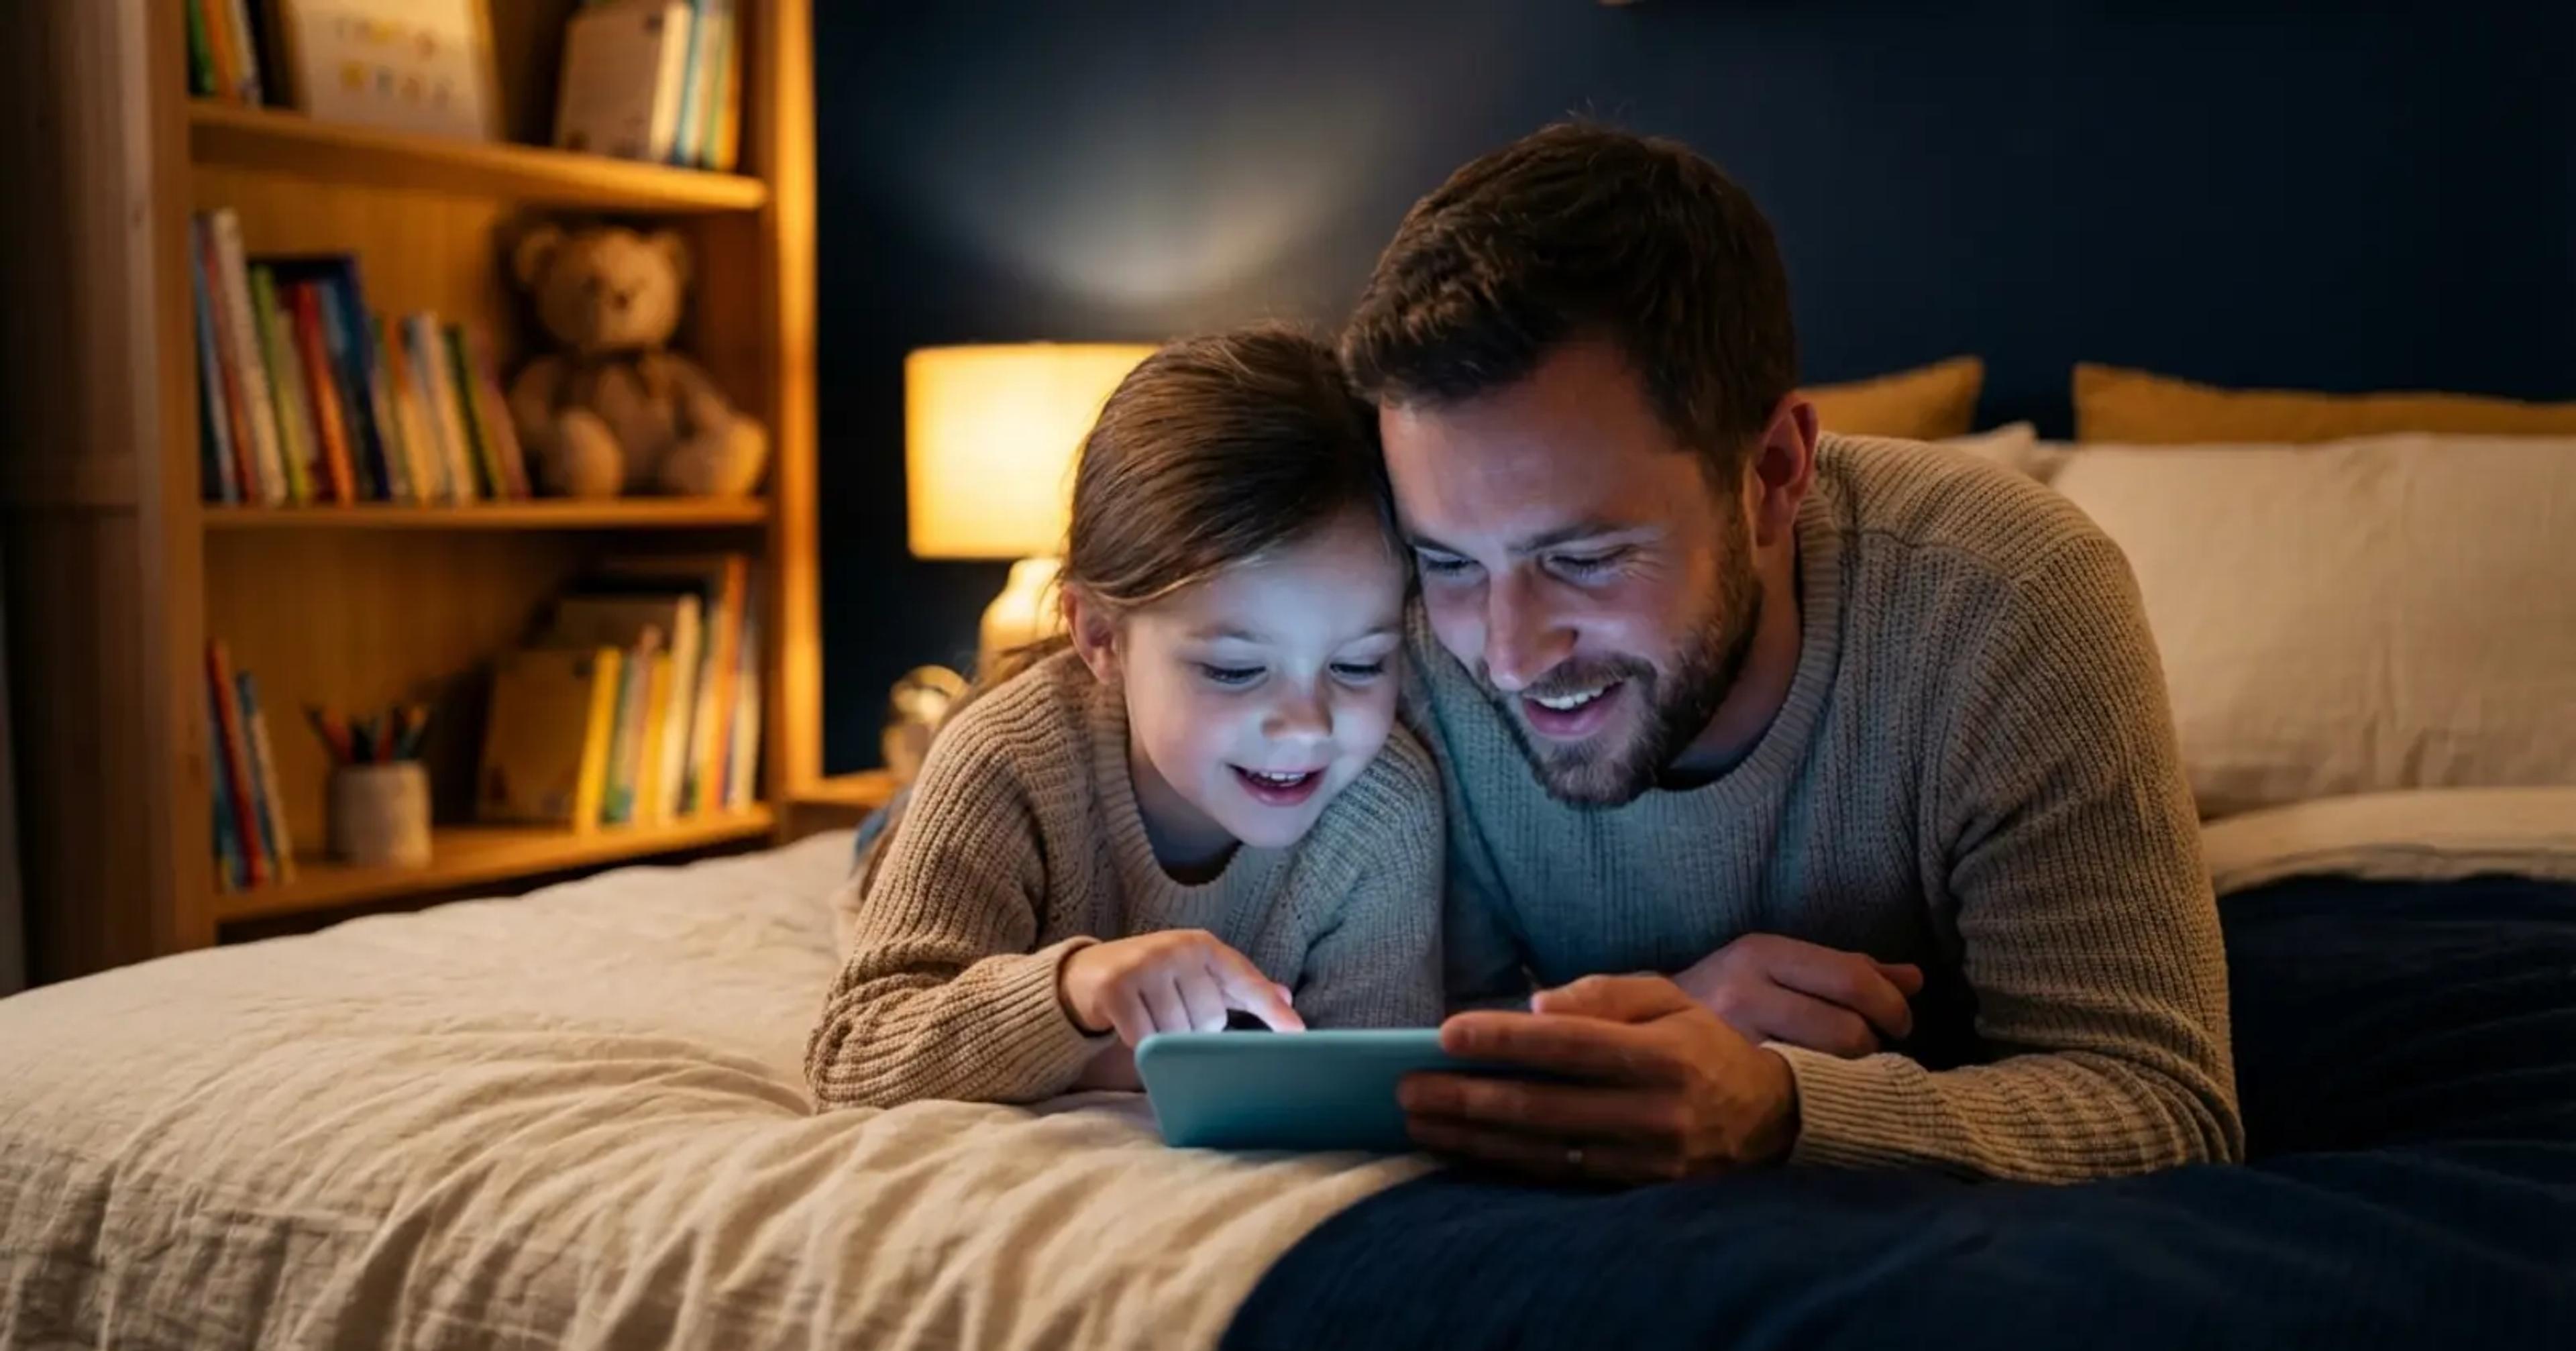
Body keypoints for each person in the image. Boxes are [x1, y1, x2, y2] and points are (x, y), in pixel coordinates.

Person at [1349, 123, 2241, 1185]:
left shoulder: (2005, 595)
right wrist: (1672, 1022)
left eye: (1583, 558)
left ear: (1773, 471)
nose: (1505, 653)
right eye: (1450, 561)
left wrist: (1776, 1103)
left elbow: (2161, 1104)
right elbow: (1393, 1032)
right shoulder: (1385, 633)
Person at [806, 326, 1444, 1110]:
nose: (1308, 725)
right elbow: (853, 1054)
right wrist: (1077, 989)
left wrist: (1127, 1057)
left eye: (1360, 664)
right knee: (897, 837)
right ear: (1101, 637)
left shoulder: (1386, 806)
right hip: (943, 827)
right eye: (1235, 669)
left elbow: (1365, 1081)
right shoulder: (1009, 757)